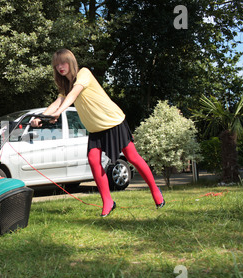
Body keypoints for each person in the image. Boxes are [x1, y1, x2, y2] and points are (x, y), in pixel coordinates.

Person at [31, 49, 165, 217]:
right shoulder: (65, 87)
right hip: (95, 129)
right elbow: (58, 101)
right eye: (57, 65)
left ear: (71, 62)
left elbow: (73, 95)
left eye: (63, 63)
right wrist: (40, 117)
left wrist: (59, 112)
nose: (60, 67)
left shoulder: (84, 73)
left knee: (132, 158)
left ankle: (155, 192)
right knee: (93, 160)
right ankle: (108, 202)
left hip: (113, 121)